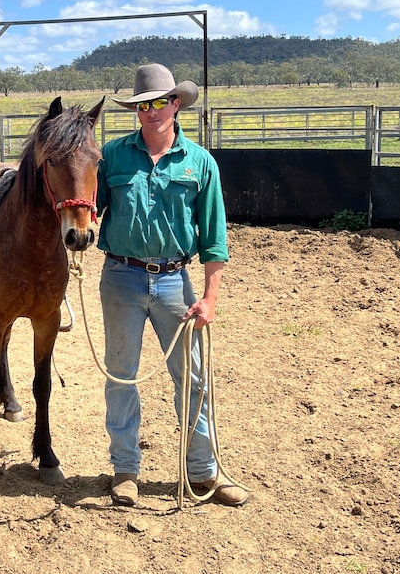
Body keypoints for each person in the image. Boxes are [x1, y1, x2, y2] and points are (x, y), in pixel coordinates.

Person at [95, 63, 249, 507]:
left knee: (193, 378)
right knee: (120, 376)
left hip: (175, 281)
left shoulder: (200, 163)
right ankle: (125, 470)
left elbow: (213, 238)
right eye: (143, 105)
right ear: (136, 110)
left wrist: (210, 297)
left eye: (160, 102)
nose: (152, 111)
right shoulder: (113, 157)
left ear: (176, 104)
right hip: (120, 277)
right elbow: (89, 208)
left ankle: (203, 472)